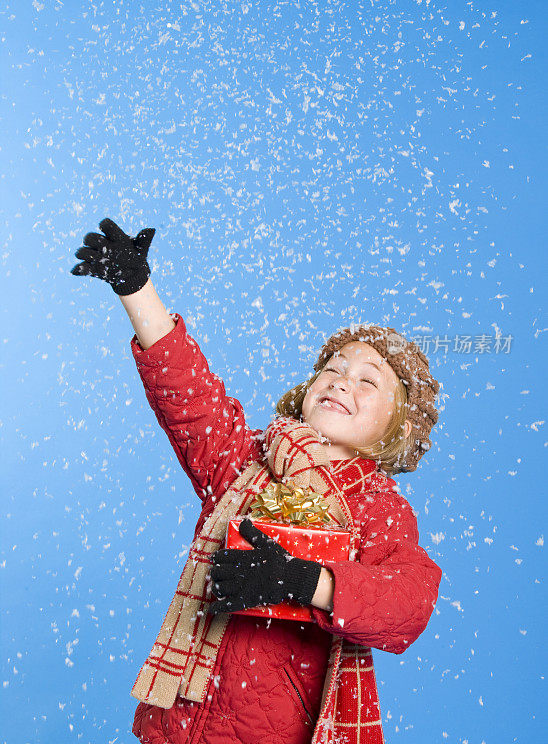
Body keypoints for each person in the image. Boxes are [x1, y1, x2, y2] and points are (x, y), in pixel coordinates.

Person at [71, 219, 443, 744]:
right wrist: (138, 289)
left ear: (398, 426)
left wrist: (305, 582)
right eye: (333, 368)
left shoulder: (374, 507)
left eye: (368, 380)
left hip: (276, 729)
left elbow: (408, 603)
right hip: (181, 722)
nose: (341, 380)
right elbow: (191, 398)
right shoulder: (243, 464)